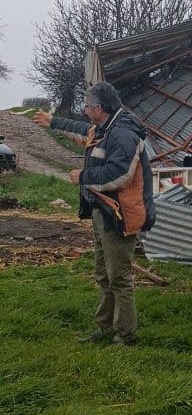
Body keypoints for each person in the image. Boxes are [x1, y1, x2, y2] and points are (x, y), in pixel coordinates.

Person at [34, 82, 155, 346]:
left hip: (121, 215)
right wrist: (53, 121)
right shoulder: (104, 128)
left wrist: (83, 176)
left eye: (87, 107)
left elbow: (119, 175)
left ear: (99, 108)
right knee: (103, 273)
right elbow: (82, 132)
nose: (85, 111)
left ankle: (125, 334)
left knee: (119, 277)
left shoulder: (122, 134)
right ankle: (105, 326)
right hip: (104, 211)